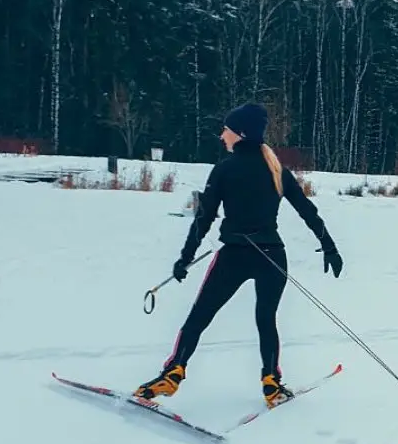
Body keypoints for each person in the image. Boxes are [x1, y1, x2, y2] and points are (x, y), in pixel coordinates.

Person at [134, 102, 343, 406]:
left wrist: (185, 259)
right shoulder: (277, 171)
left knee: (198, 318)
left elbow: (203, 219)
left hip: (234, 256)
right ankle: (271, 383)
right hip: (272, 256)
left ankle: (173, 373)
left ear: (241, 133)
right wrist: (330, 247)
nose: (222, 135)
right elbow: (307, 211)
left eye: (226, 130)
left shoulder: (225, 169)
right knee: (266, 319)